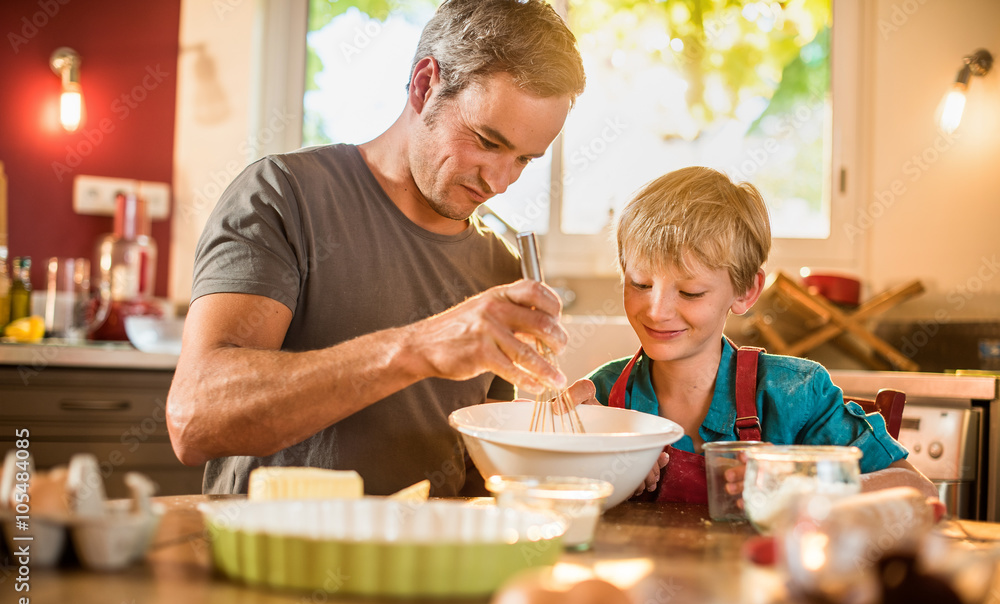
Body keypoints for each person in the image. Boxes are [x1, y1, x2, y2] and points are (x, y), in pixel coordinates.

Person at [166, 0, 587, 497]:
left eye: (524, 159)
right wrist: (419, 348)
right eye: (486, 141)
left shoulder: (501, 268)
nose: (499, 180)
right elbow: (195, 419)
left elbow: (476, 479)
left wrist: (550, 447)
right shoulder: (284, 196)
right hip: (272, 558)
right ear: (424, 85)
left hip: (429, 566)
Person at [566, 166, 937, 502]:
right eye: (640, 283)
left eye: (691, 292)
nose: (657, 311)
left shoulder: (796, 395)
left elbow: (917, 490)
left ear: (745, 291)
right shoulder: (602, 397)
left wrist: (802, 483)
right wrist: (586, 460)